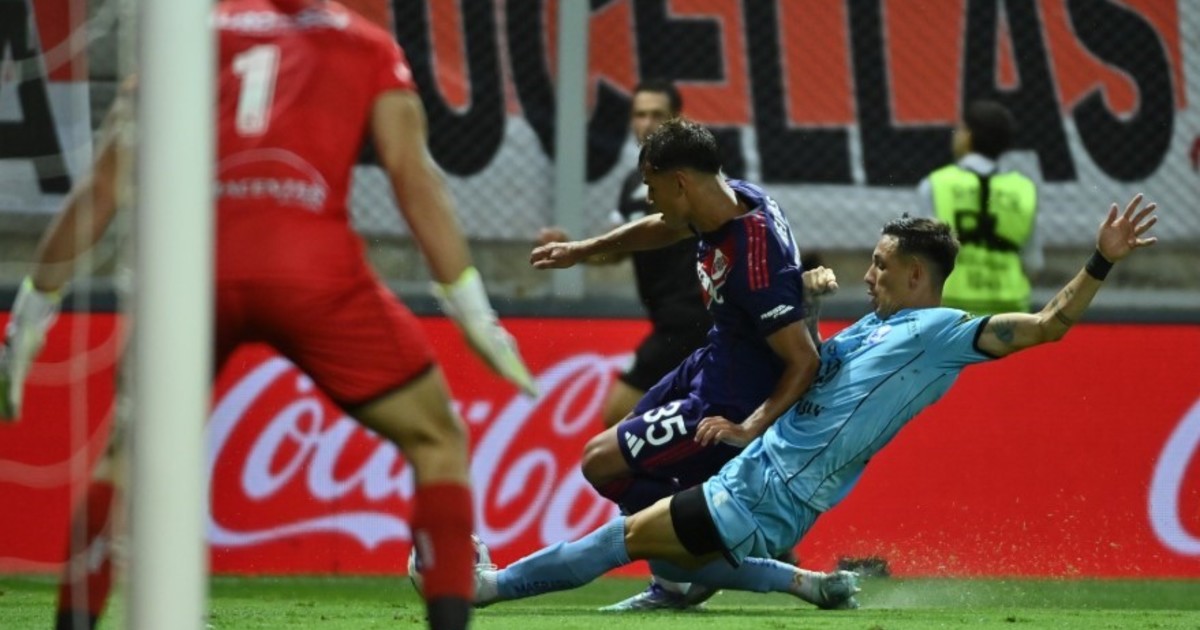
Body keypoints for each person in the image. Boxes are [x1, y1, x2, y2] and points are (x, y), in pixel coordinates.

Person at [0, 1, 536, 629]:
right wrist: (473, 311)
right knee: (438, 440)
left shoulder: (185, 39)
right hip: (316, 271)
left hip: (195, 273)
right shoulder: (365, 46)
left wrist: (31, 312)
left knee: (127, 457)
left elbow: (103, 187)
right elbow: (413, 179)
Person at [480, 194, 1158, 610]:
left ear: (915, 274)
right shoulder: (870, 328)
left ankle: (490, 588)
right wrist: (805, 300)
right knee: (665, 553)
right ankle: (798, 583)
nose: (870, 275)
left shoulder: (943, 333)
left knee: (622, 538)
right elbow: (807, 367)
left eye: (881, 265)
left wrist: (1101, 260)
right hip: (755, 477)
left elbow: (1046, 326)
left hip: (769, 493)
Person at [530, 118, 821, 609]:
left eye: (651, 185)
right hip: (710, 363)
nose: (648, 197)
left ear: (680, 182)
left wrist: (747, 428)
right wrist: (583, 249)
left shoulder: (755, 261)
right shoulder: (733, 198)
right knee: (620, 447)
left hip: (729, 399)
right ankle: (688, 561)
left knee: (600, 461)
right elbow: (667, 226)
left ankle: (705, 560)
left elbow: (803, 361)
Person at [537, 79, 710, 429]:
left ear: (677, 120)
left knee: (619, 416)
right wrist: (576, 250)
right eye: (639, 115)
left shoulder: (694, 178)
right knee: (681, 424)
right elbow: (618, 252)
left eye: (657, 115)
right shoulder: (637, 184)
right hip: (669, 322)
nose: (647, 124)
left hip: (696, 321)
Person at [917, 100, 1041, 314]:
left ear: (968, 136)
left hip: (950, 305)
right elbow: (1033, 263)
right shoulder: (1024, 188)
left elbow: (924, 256)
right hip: (1010, 306)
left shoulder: (935, 184)